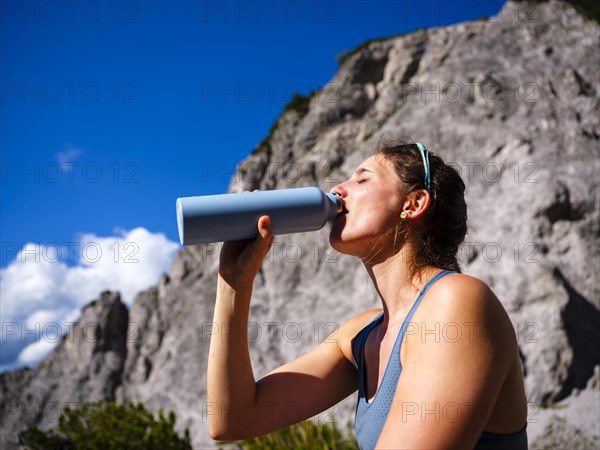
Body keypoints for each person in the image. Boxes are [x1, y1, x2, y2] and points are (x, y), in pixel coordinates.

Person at [207, 139, 528, 449]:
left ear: (413, 204)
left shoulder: (456, 300)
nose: (337, 190)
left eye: (362, 179)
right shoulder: (361, 336)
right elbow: (234, 419)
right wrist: (234, 281)